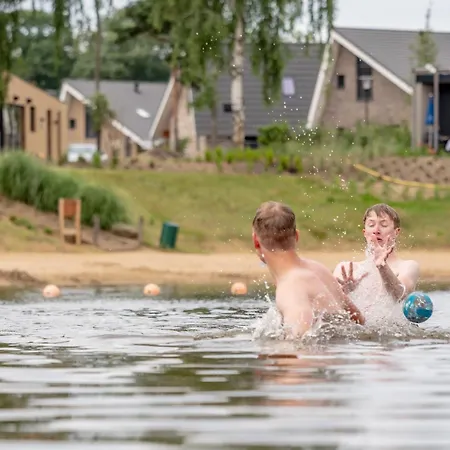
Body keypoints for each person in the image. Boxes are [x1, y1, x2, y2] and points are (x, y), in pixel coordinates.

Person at [252, 201, 364, 339]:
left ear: (256, 241)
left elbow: (301, 342)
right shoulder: (318, 269)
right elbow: (359, 321)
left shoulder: (290, 288)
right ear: (297, 236)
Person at [333, 203, 420, 323]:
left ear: (396, 232)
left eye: (383, 225)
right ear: (364, 232)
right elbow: (329, 308)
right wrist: (345, 294)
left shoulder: (408, 266)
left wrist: (381, 266)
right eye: (371, 225)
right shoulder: (346, 269)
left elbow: (400, 295)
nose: (376, 230)